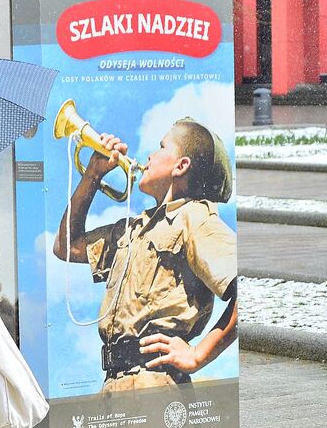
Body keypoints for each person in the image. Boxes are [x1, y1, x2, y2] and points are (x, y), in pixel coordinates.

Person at [53, 118, 237, 392]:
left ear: (181, 166)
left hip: (156, 382)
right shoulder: (132, 229)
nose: (150, 155)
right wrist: (92, 174)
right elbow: (67, 246)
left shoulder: (194, 217)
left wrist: (197, 355)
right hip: (114, 384)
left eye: (161, 147)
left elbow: (246, 291)